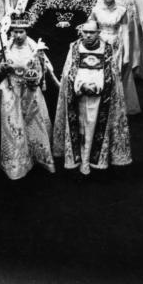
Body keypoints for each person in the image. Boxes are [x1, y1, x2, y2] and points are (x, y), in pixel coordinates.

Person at [53, 19, 132, 175]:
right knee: (80, 127)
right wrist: (81, 85)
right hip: (79, 96)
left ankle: (91, 160)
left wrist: (96, 86)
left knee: (93, 127)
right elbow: (69, 72)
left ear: (98, 33)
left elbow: (112, 75)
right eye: (86, 32)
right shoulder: (74, 48)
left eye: (92, 32)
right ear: (81, 32)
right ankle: (80, 160)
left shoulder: (107, 49)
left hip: (99, 96)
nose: (88, 36)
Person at [0, 12, 55, 180]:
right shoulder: (6, 48)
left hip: (30, 91)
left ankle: (36, 158)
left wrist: (33, 78)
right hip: (10, 91)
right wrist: (4, 68)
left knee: (32, 124)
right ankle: (14, 162)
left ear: (26, 32)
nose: (18, 35)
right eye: (15, 31)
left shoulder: (35, 49)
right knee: (12, 126)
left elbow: (40, 72)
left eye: (21, 31)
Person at [88, 0, 140, 114]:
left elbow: (125, 33)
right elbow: (90, 30)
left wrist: (127, 54)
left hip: (116, 46)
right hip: (100, 46)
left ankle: (114, 105)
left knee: (115, 75)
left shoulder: (122, 11)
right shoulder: (96, 10)